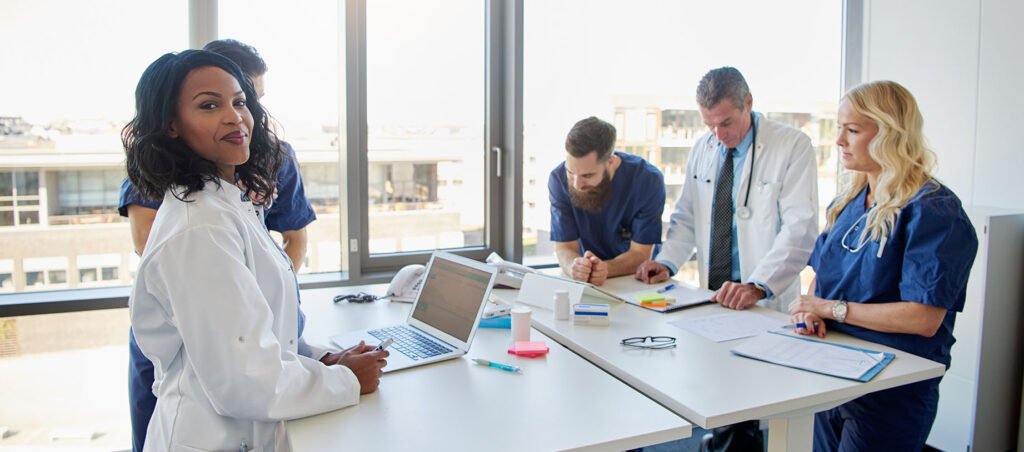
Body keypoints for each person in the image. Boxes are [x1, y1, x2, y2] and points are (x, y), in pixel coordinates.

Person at [124, 49, 387, 450]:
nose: (234, 117)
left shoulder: (227, 205)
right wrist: (347, 380)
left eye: (240, 102)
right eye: (209, 105)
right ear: (171, 125)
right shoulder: (200, 229)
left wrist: (321, 361)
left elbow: (258, 338)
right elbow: (245, 381)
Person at [634, 67, 819, 451]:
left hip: (764, 297)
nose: (719, 134)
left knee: (758, 398)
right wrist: (667, 262)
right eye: (710, 124)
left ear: (748, 102)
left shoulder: (791, 146)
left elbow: (800, 229)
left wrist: (757, 284)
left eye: (726, 122)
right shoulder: (704, 148)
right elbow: (687, 216)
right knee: (722, 393)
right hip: (715, 298)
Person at [788, 80, 977, 451]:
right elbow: (822, 275)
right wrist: (810, 310)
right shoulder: (850, 199)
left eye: (853, 130)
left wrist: (831, 309)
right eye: (839, 127)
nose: (839, 140)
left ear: (890, 134)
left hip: (890, 385)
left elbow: (922, 319)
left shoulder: (933, 209)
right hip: (832, 370)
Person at [549, 116, 665, 286]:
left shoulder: (647, 180)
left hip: (635, 281)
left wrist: (605, 269)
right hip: (585, 282)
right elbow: (564, 246)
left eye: (587, 175)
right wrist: (574, 266)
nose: (577, 184)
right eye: (571, 172)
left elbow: (640, 254)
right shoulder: (557, 179)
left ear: (610, 162)